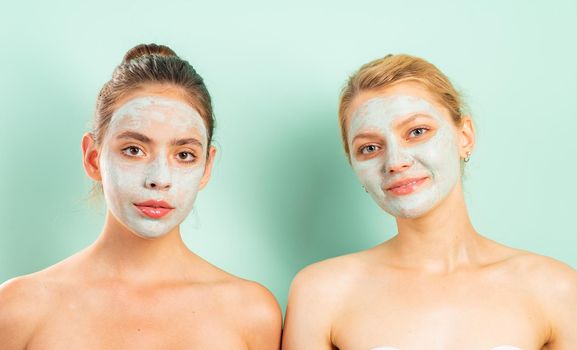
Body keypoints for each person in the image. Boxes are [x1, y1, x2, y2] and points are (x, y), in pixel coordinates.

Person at [282, 54, 577, 349]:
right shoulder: (321, 294)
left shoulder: (555, 288)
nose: (395, 162)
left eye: (417, 132)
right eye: (369, 148)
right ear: (354, 166)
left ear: (465, 137)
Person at [0, 43, 281, 349]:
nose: (159, 179)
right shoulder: (19, 308)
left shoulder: (251, 313)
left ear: (207, 166)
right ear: (93, 158)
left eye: (184, 154)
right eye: (134, 150)